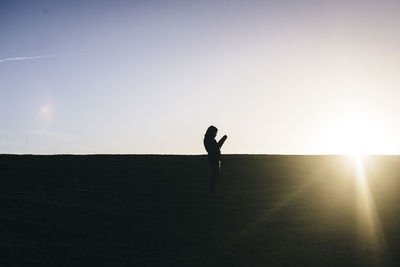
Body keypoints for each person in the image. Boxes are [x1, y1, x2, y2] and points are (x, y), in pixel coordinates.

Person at [203, 125, 227, 193]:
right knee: (215, 175)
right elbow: (217, 147)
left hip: (214, 158)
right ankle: (211, 190)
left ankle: (212, 189)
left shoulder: (208, 139)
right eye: (215, 133)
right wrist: (223, 139)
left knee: (215, 174)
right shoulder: (209, 139)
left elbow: (217, 147)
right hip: (214, 158)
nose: (216, 134)